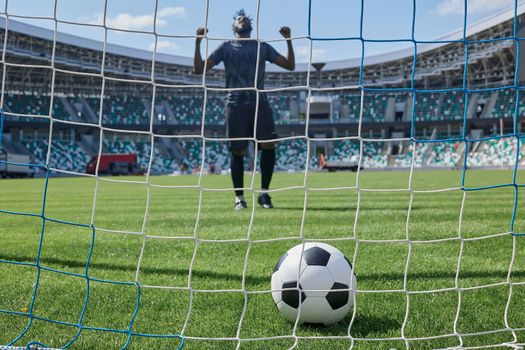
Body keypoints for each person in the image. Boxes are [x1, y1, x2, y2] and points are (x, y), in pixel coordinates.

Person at [194, 9, 295, 210]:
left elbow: (290, 65)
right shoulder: (225, 47)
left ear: (250, 26)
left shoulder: (262, 46)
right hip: (235, 103)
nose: (242, 20)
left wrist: (289, 40)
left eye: (245, 19)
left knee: (269, 145)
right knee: (237, 150)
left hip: (259, 101)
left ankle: (264, 195)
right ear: (234, 28)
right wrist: (197, 42)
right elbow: (199, 69)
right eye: (239, 19)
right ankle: (239, 198)